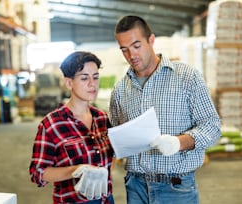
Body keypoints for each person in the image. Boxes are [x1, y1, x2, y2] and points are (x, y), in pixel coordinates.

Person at [109, 15, 221, 204]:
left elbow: (212, 126)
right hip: (136, 187)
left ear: (151, 40)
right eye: (124, 50)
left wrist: (180, 142)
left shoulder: (187, 77)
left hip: (176, 188)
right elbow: (114, 137)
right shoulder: (120, 90)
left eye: (137, 46)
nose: (131, 55)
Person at [29, 51, 115, 204]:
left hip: (106, 200)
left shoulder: (101, 118)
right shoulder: (52, 124)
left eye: (95, 77)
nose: (92, 83)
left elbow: (112, 156)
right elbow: (38, 173)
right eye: (84, 78)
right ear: (69, 83)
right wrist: (75, 170)